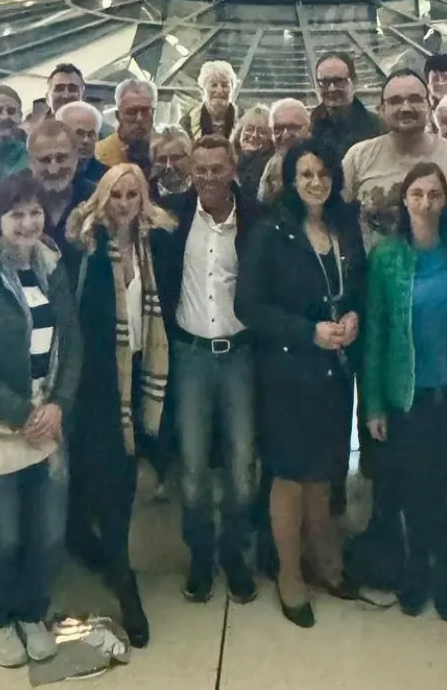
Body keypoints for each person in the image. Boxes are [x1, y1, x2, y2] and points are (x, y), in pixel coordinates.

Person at [0, 172, 84, 667]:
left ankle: (32, 612)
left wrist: (58, 404)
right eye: (16, 214)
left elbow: (71, 341)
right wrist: (23, 414)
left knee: (48, 531)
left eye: (34, 212)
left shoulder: (51, 265)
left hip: (49, 418)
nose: (27, 222)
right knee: (6, 533)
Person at [237, 141, 367, 627]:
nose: (316, 181)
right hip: (287, 372)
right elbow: (248, 306)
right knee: (289, 477)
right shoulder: (272, 232)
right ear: (290, 180)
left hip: (334, 372)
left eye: (323, 172)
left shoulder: (344, 225)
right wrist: (308, 331)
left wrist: (354, 313)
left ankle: (326, 562)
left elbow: (356, 285)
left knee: (323, 472)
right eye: (305, 173)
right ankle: (290, 575)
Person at [60, 164, 178, 649]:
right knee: (103, 476)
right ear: (101, 200)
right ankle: (122, 578)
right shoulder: (83, 248)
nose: (124, 204)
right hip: (96, 383)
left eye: (132, 194)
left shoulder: (159, 244)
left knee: (123, 477)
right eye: (115, 195)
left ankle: (110, 556)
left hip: (143, 376)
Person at [361, 163, 447, 620]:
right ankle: (418, 566)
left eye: (434, 194)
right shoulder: (386, 257)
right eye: (417, 194)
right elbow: (376, 333)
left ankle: (445, 569)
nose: (426, 202)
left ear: (446, 201)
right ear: (404, 200)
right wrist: (373, 405)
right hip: (409, 397)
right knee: (413, 490)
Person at [159, 136, 262, 605]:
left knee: (242, 467)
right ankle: (200, 554)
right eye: (200, 169)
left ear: (233, 167)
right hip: (191, 356)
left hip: (240, 354)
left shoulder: (256, 219)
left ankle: (234, 552)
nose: (208, 178)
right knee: (194, 468)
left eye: (217, 168)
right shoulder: (174, 217)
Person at [343, 69, 447, 243]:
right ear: (381, 109)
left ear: (430, 105)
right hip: (376, 268)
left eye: (415, 99)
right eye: (395, 101)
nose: (406, 108)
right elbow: (337, 216)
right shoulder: (358, 157)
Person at [28, 119, 96, 249]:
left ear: (76, 158)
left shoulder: (94, 197)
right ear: (30, 163)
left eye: (62, 158)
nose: (54, 168)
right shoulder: (12, 198)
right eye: (45, 160)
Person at [310, 51, 383, 161]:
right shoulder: (309, 128)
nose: (332, 89)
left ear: (355, 82)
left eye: (339, 81)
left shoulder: (379, 129)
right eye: (324, 82)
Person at [96, 78, 158, 176]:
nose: (139, 119)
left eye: (145, 111)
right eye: (131, 112)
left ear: (153, 113)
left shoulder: (166, 152)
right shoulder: (99, 155)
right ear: (118, 115)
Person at [262, 97, 314, 204]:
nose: (285, 135)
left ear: (309, 129)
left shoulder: (324, 165)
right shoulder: (266, 166)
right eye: (278, 129)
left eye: (293, 127)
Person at [182, 60, 239, 140]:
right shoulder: (188, 121)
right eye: (213, 85)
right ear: (203, 89)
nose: (219, 91)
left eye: (225, 85)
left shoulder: (243, 119)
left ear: (232, 89)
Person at [56, 100, 107, 183]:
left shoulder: (108, 178)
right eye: (79, 134)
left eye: (91, 134)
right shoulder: (41, 176)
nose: (86, 140)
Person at [232, 103, 273, 201]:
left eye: (262, 132)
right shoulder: (226, 162)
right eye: (249, 129)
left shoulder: (273, 170)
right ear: (239, 133)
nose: (254, 135)